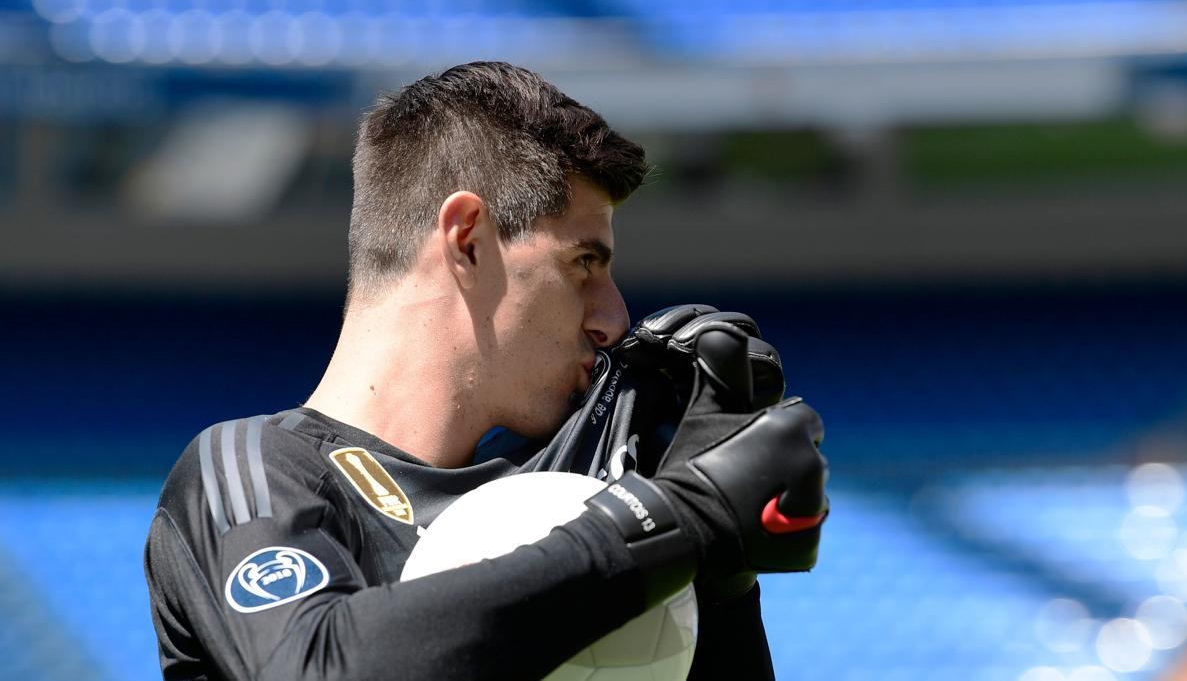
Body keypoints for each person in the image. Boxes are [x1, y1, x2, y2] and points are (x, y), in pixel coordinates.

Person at [144, 61, 827, 680]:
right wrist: (679, 516)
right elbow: (314, 667)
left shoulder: (559, 499)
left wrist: (720, 572)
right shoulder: (249, 469)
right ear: (468, 241)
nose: (614, 318)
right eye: (583, 264)